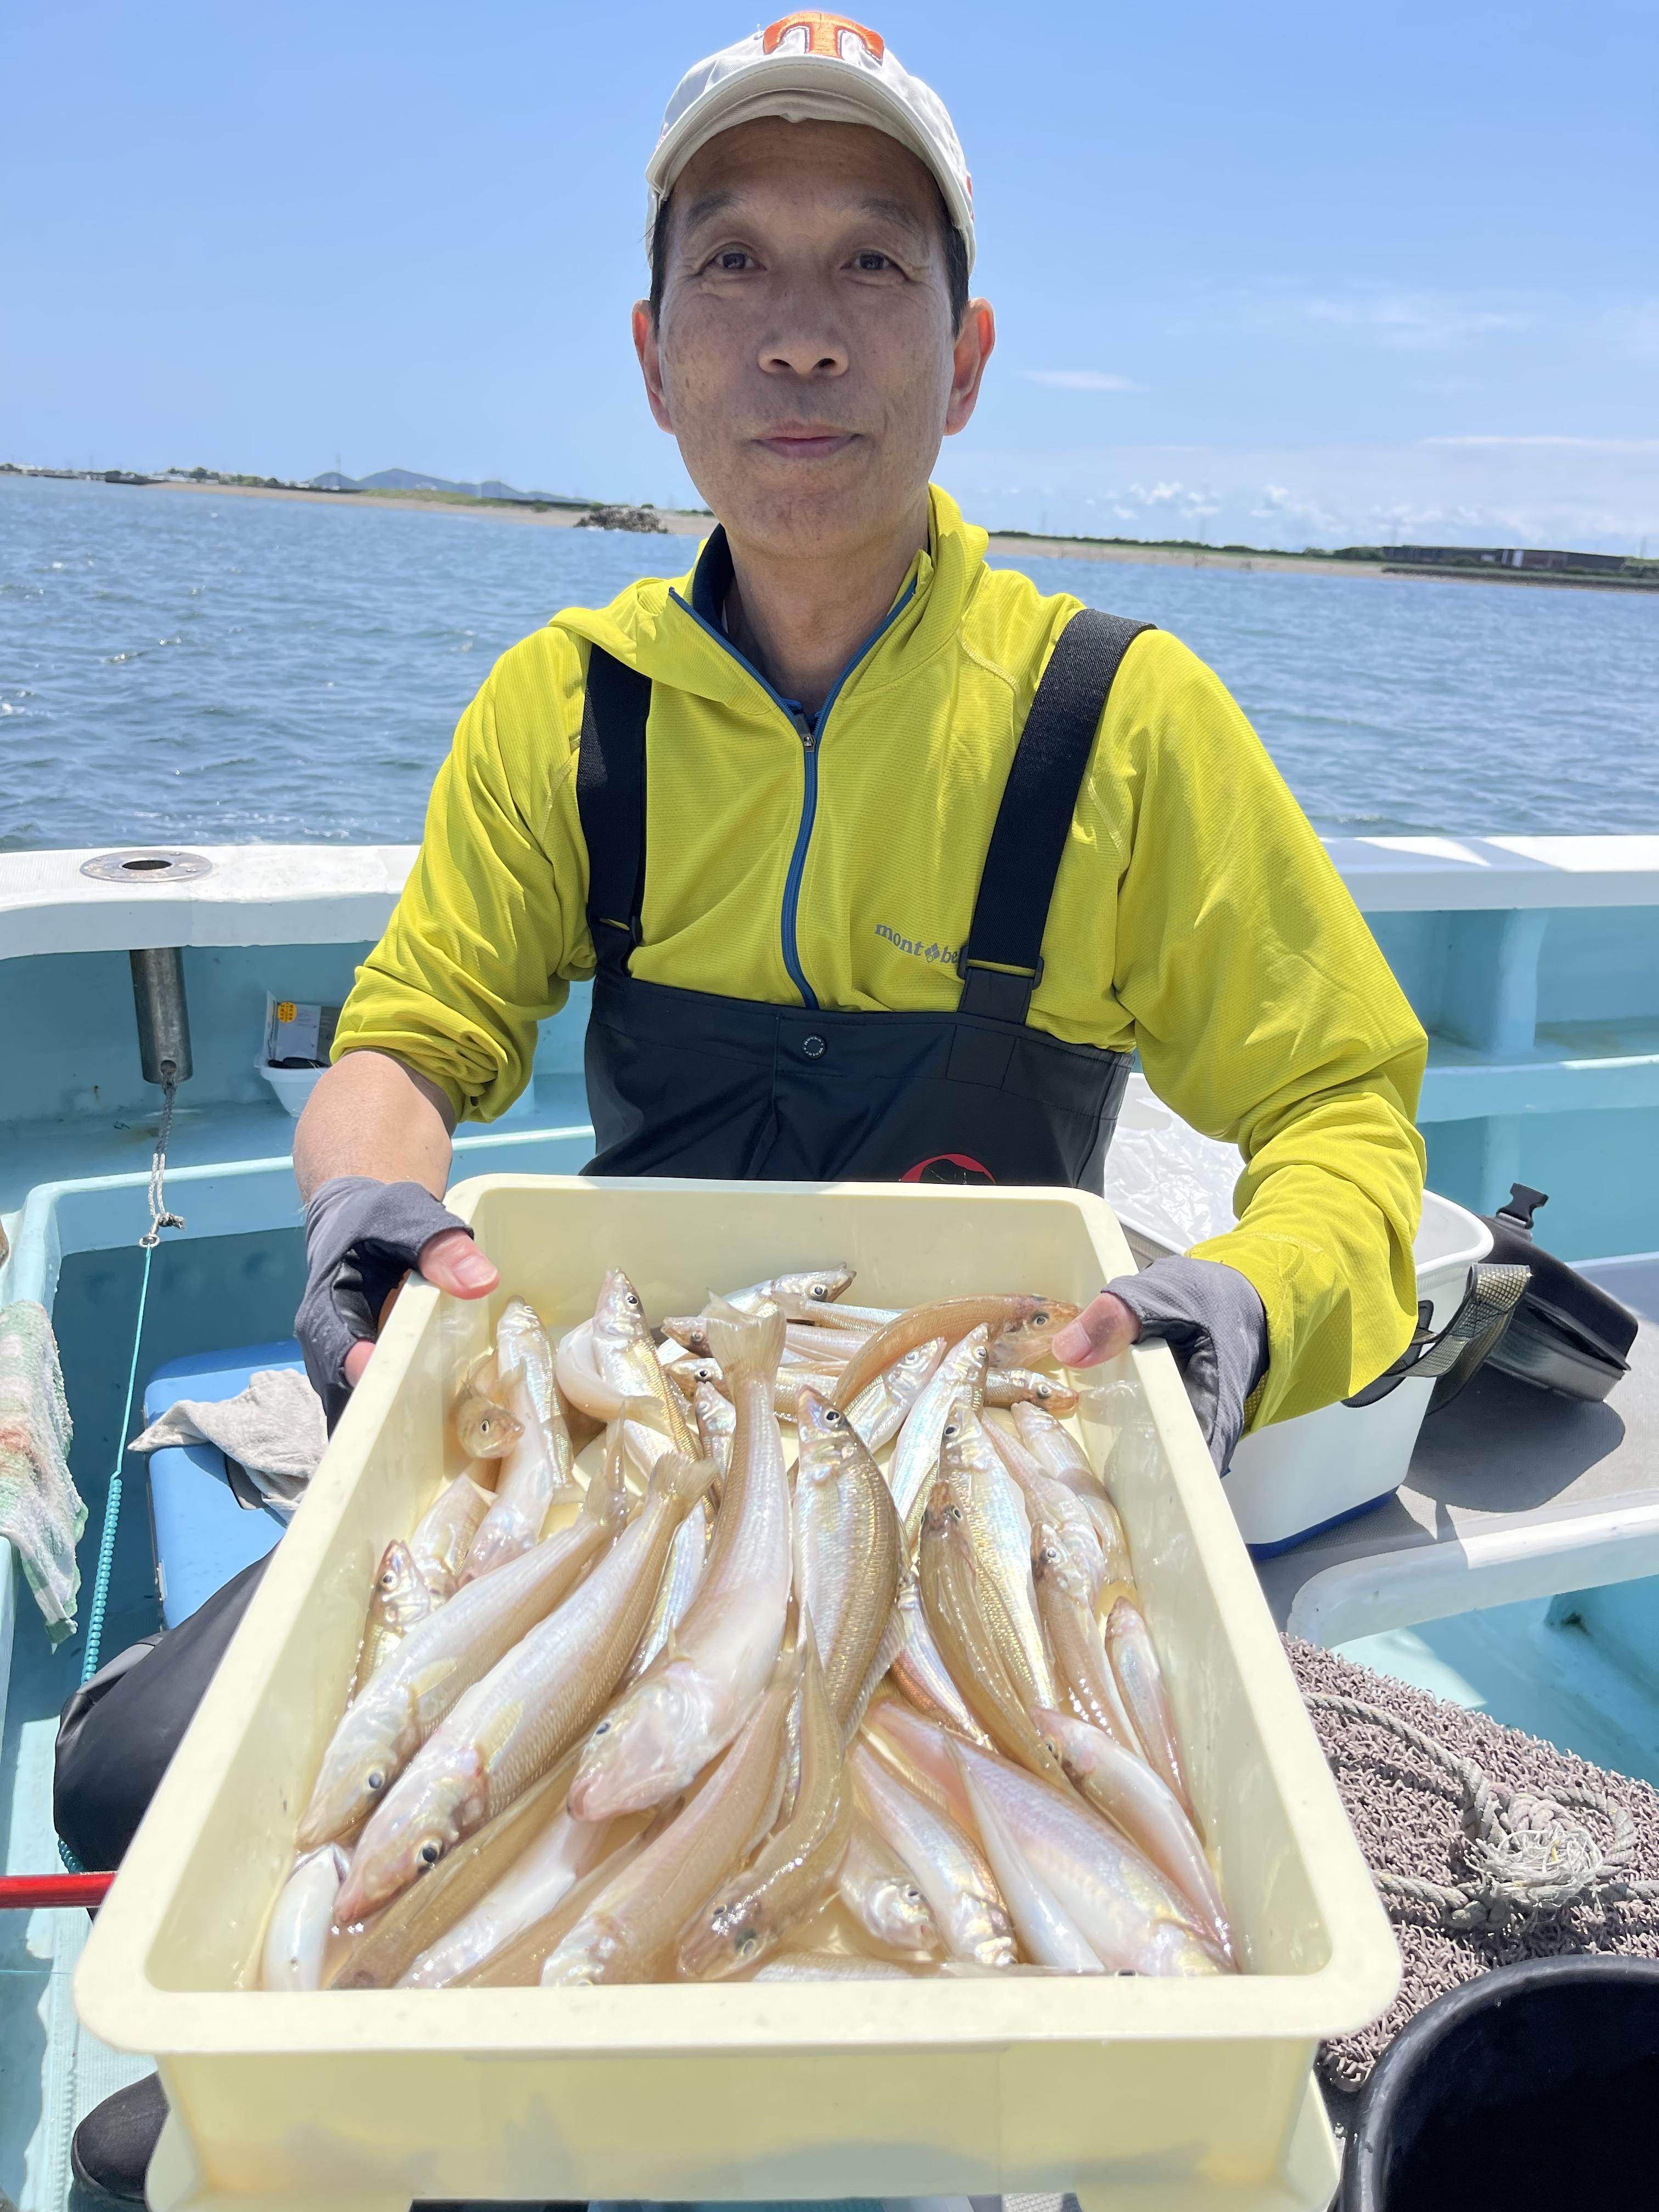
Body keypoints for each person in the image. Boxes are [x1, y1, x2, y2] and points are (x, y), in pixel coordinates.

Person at [60, 15, 1427, 2196]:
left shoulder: (1123, 724)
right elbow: (413, 1041)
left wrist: (1251, 1304)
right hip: (643, 1432)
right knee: (129, 1781)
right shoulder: (566, 709)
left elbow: (1348, 1109)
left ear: (966, 357)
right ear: (652, 350)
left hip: (992, 1430)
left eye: (870, 269)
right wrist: (365, 1217)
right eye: (740, 267)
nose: (801, 336)